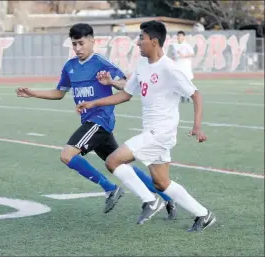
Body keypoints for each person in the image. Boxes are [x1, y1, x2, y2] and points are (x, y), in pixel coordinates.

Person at [16, 23, 176, 218]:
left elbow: (126, 85)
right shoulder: (70, 66)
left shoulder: (102, 63)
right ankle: (167, 197)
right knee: (123, 167)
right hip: (91, 123)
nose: (77, 48)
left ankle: (110, 188)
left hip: (100, 121)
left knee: (67, 155)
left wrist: (111, 82)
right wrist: (33, 93)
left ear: (92, 41)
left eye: (81, 43)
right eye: (74, 44)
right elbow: (59, 93)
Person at [77, 20, 216, 232]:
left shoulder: (170, 68)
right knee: (162, 183)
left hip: (160, 132)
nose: (138, 42)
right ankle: (203, 214)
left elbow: (195, 94)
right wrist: (96, 100)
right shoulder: (142, 65)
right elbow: (126, 93)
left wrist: (197, 126)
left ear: (154, 41)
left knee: (113, 160)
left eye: (141, 38)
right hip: (152, 131)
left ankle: (150, 201)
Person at [171, 31, 195, 103]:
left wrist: (184, 56)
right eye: (178, 36)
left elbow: (192, 54)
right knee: (179, 81)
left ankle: (189, 95)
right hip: (178, 65)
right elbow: (173, 55)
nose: (179, 37)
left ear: (183, 37)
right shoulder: (174, 45)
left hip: (185, 65)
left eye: (181, 36)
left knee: (187, 81)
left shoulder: (187, 45)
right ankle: (182, 95)